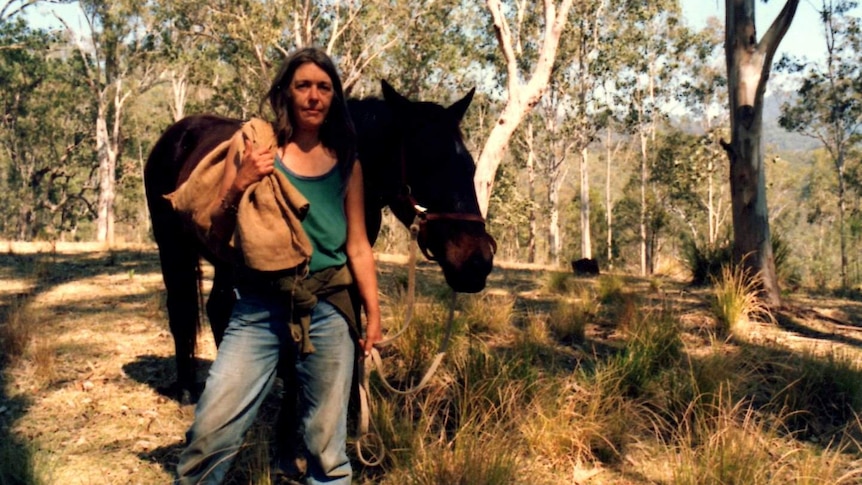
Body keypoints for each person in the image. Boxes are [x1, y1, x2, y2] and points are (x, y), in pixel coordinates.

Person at [176, 46, 382, 485]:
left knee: (326, 446)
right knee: (210, 429)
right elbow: (216, 231)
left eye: (323, 87)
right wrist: (242, 180)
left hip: (329, 306)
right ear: (285, 93)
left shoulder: (348, 164)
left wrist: (374, 316)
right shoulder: (254, 148)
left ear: (334, 97)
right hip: (258, 305)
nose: (313, 96)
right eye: (303, 85)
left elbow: (359, 246)